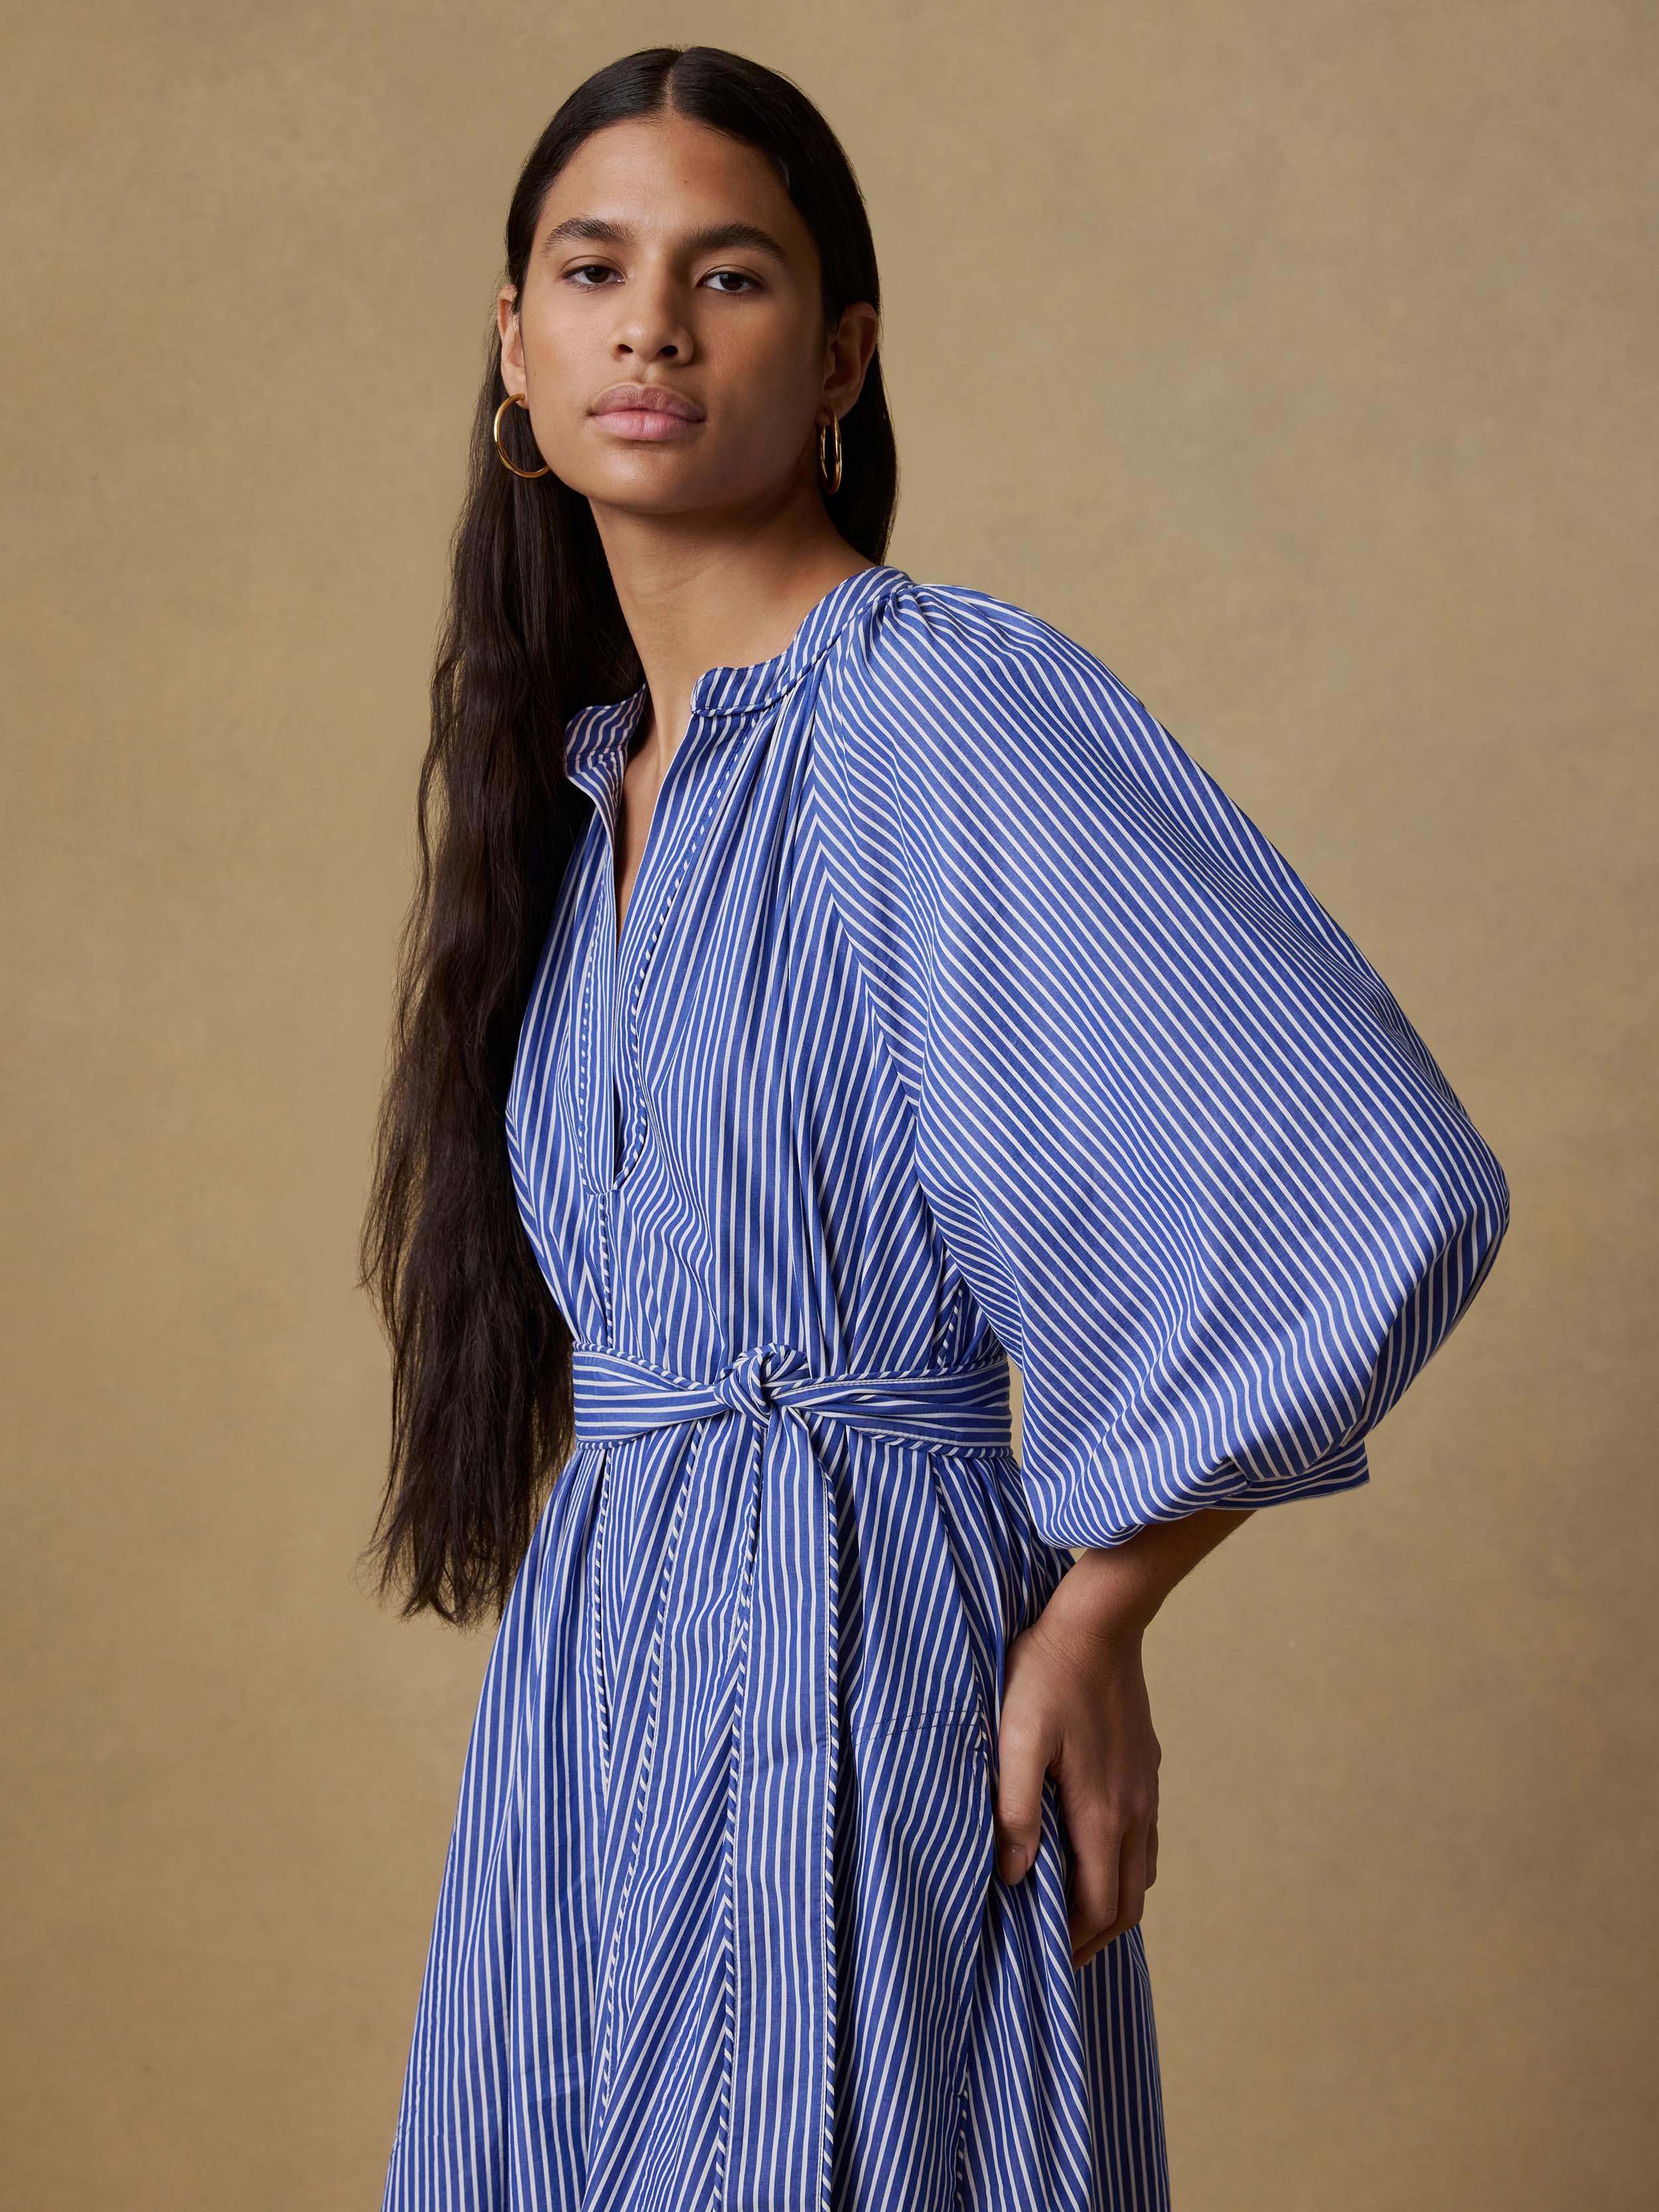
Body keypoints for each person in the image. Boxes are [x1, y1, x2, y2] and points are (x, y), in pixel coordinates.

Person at [360, 44, 1508, 2212]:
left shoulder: (926, 704)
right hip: (595, 1704)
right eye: (591, 270)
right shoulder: (599, 777)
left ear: (843, 357)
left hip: (850, 1681)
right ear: (512, 349)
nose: (653, 327)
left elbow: (1371, 1172)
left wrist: (1101, 1604)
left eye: (733, 275)